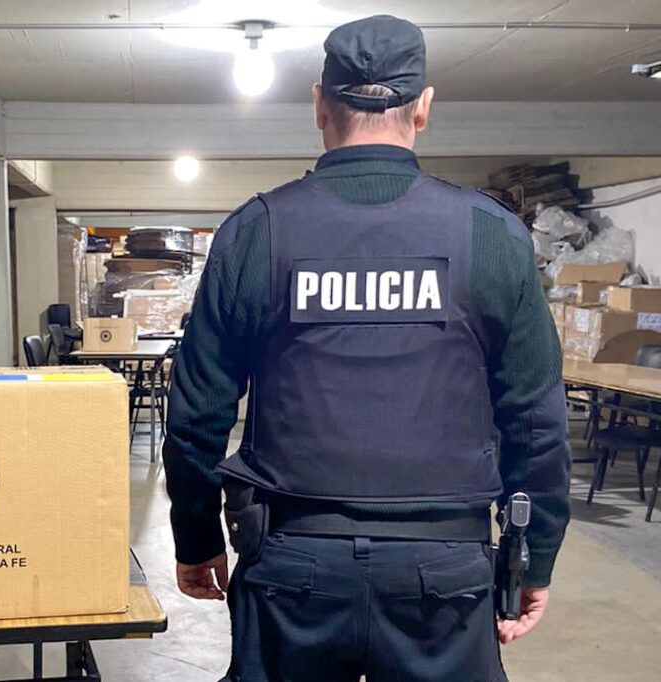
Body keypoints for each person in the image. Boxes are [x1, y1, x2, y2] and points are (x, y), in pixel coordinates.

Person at [162, 14, 571, 682]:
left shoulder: (257, 232)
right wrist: (536, 554)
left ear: (320, 106)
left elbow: (197, 412)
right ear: (423, 108)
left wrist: (197, 535)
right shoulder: (491, 235)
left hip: (292, 567)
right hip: (443, 571)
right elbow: (537, 420)